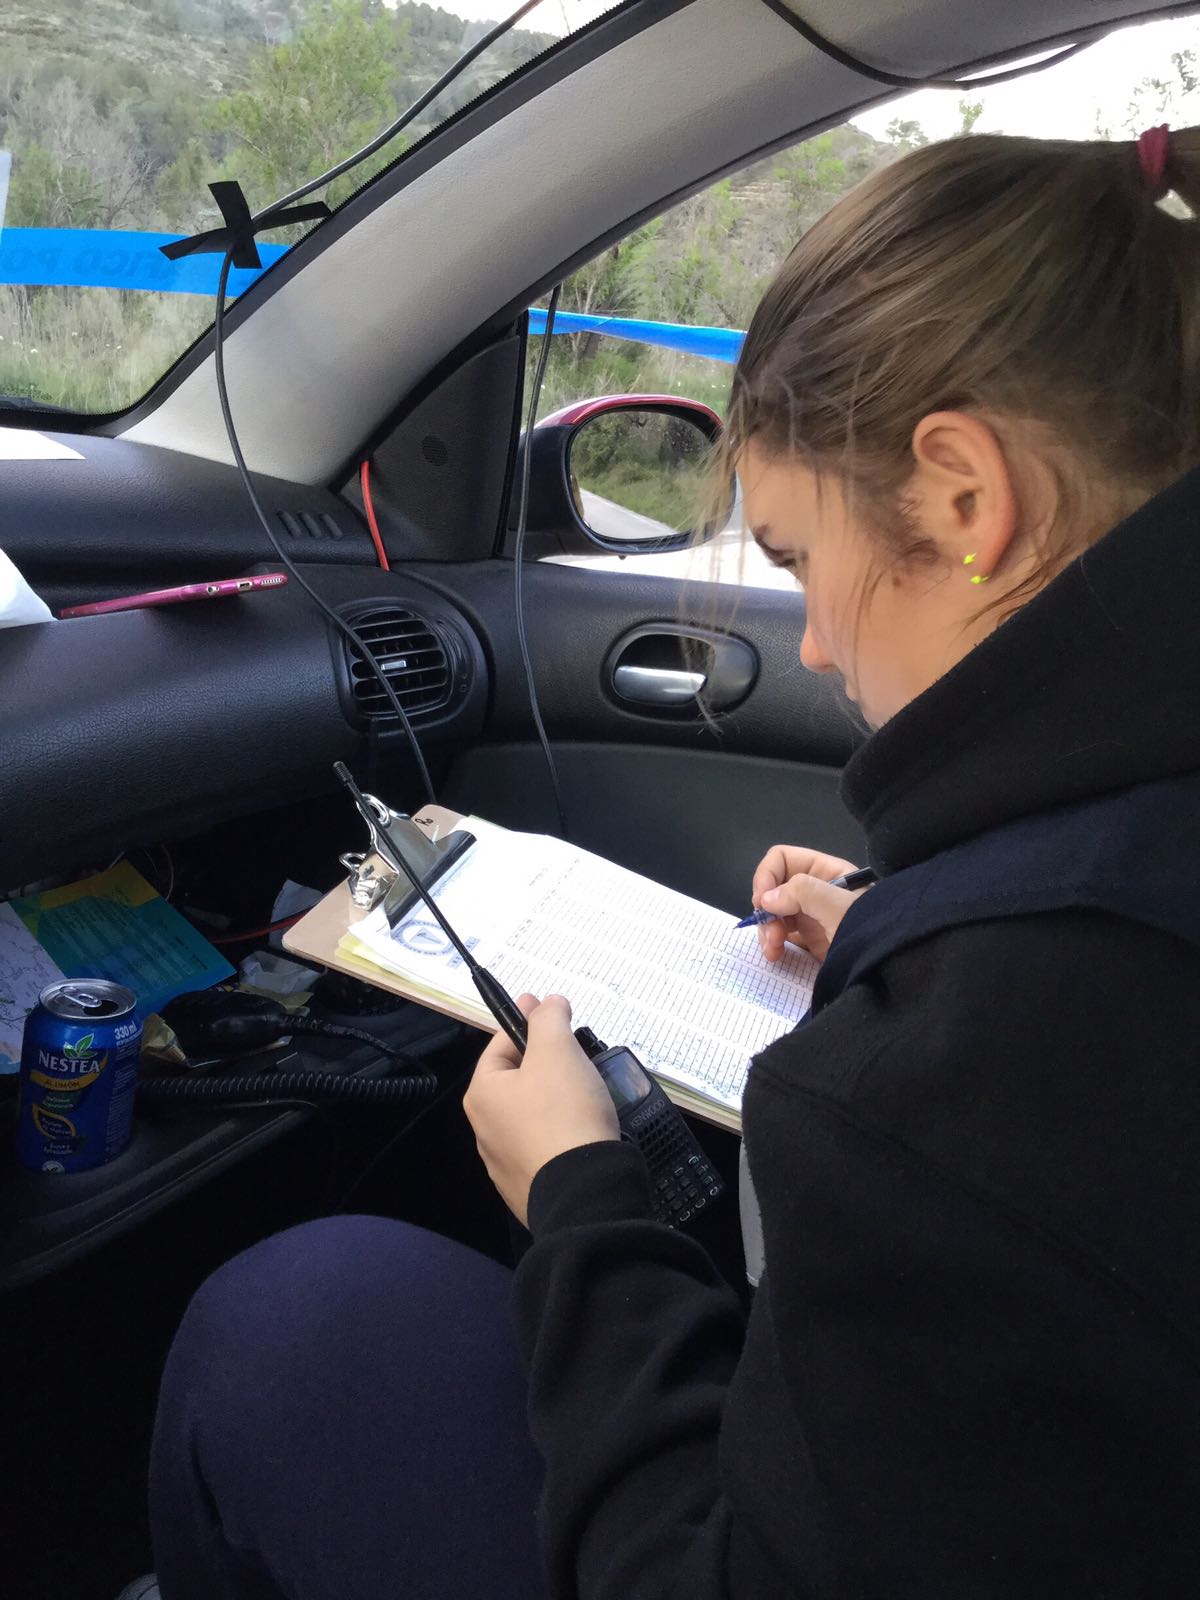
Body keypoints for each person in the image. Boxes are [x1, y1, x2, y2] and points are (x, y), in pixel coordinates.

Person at [143, 125, 1200, 1600]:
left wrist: (581, 1201)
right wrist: (905, 931)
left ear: (965, 495)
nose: (812, 645)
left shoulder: (978, 1076)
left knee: (294, 1316)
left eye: (797, 559)